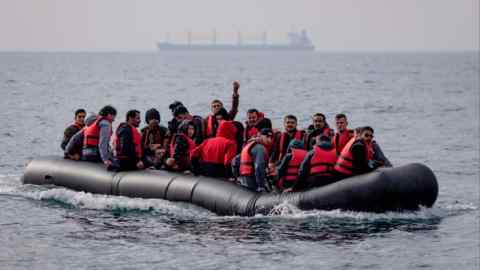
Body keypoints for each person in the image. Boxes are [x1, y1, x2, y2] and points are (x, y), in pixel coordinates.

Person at [232, 128, 274, 192]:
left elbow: (234, 161)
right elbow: (259, 167)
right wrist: (261, 186)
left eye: (271, 137)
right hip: (252, 180)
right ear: (260, 136)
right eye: (267, 136)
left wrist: (237, 176)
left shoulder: (248, 145)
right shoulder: (260, 148)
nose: (269, 139)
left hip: (243, 179)